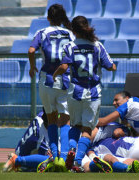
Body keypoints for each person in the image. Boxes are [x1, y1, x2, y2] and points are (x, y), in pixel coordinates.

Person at [53, 15, 117, 172]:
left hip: (75, 92)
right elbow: (111, 66)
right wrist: (109, 66)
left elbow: (63, 67)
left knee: (75, 125)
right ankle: (76, 162)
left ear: (73, 30)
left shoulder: (69, 46)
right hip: (93, 93)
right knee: (87, 130)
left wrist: (55, 74)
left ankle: (71, 149)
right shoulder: (97, 46)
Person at [28, 3, 75, 169]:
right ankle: (63, 158)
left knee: (52, 119)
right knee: (66, 120)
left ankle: (55, 156)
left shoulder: (42, 33)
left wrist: (32, 66)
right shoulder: (70, 34)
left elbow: (32, 50)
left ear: (48, 18)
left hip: (46, 80)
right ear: (62, 18)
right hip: (65, 81)